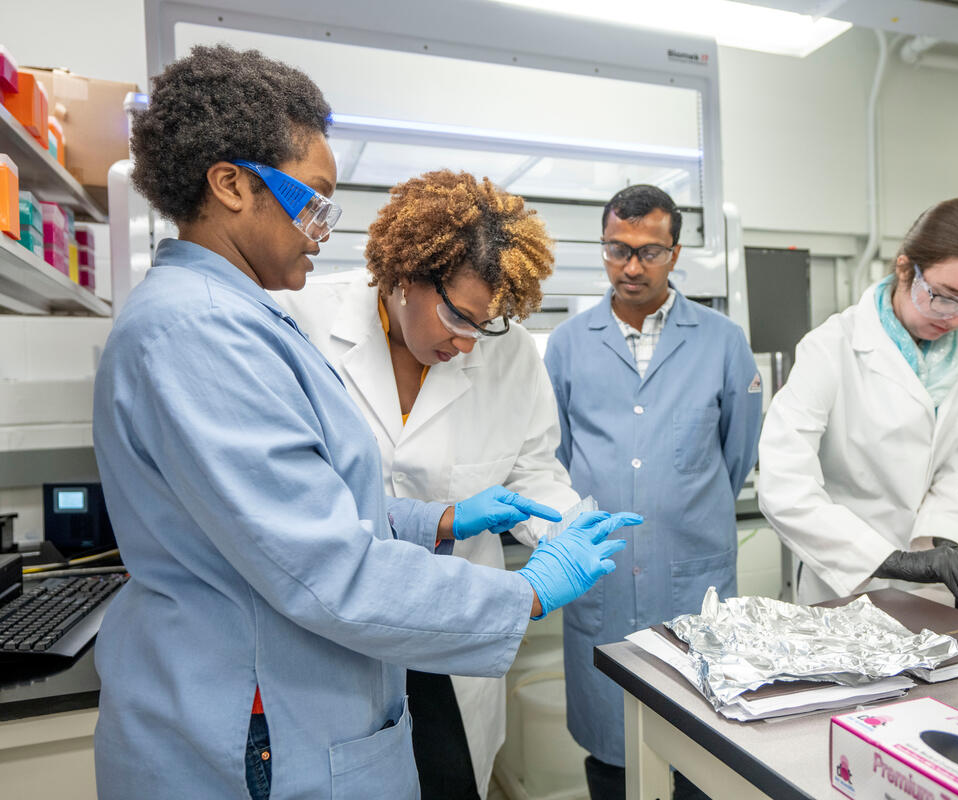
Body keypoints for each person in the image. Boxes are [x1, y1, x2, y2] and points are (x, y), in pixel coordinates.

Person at [91, 45, 639, 799]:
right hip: (259, 715)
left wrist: (435, 521)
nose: (322, 226)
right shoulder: (203, 332)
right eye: (312, 199)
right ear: (231, 184)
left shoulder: (233, 317)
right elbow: (327, 570)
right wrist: (527, 593)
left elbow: (303, 510)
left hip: (338, 670)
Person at [274, 169, 580, 799]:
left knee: (452, 780)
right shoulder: (298, 320)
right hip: (334, 630)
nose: (468, 343)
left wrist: (567, 532)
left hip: (456, 625)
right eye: (457, 317)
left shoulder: (507, 349)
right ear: (404, 274)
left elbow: (533, 471)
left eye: (486, 325)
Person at [544, 185, 763, 799]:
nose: (632, 266)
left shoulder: (722, 341)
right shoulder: (566, 344)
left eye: (649, 251)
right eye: (618, 250)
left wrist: (678, 501)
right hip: (603, 578)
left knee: (701, 748)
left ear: (675, 251)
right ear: (603, 248)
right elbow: (552, 457)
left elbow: (737, 454)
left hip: (692, 576)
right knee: (613, 756)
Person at [758, 195, 958, 608]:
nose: (956, 318)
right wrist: (896, 561)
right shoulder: (832, 346)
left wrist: (945, 542)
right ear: (904, 268)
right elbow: (784, 485)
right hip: (846, 580)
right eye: (945, 296)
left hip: (939, 583)